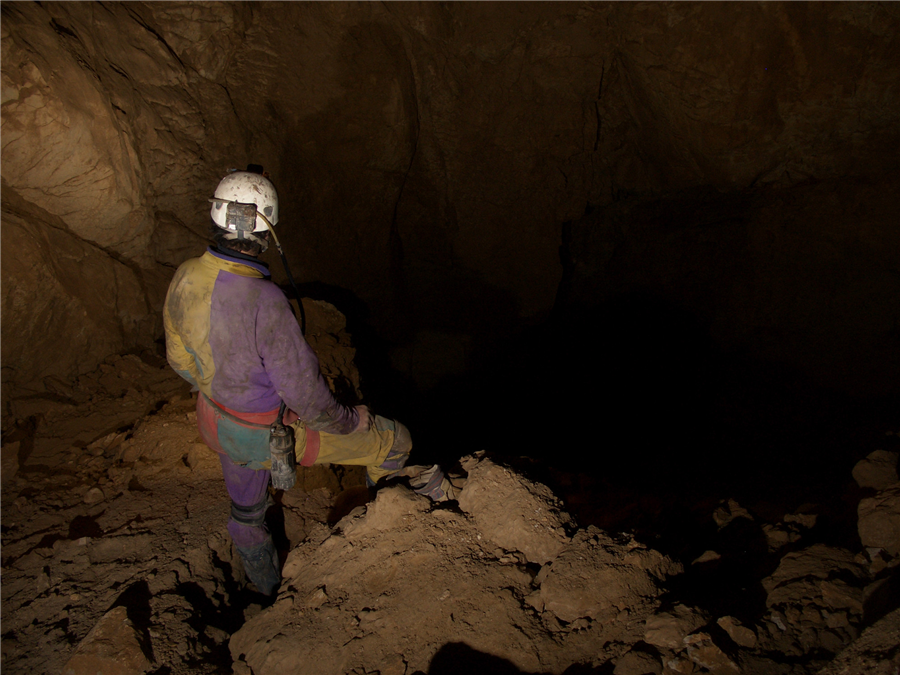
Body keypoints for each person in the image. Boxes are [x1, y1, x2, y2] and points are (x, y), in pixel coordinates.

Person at [163, 168, 454, 596]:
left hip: (217, 425)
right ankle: (389, 535)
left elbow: (178, 359)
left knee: (247, 516)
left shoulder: (186, 275)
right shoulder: (265, 301)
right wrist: (350, 420)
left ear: (216, 216)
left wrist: (221, 389)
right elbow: (309, 399)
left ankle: (269, 595)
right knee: (395, 441)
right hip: (269, 435)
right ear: (267, 231)